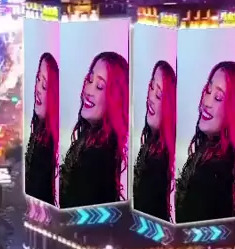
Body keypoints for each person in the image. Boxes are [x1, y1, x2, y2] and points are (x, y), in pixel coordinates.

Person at [175, 61, 235, 223]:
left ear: (234, 110)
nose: (207, 102)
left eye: (218, 98)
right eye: (208, 91)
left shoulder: (213, 171)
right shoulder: (209, 156)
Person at [60, 51, 129, 208]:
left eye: (99, 87)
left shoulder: (98, 155)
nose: (89, 91)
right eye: (90, 80)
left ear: (114, 99)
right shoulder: (91, 140)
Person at [133, 60, 176, 222]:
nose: (151, 97)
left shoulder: (158, 160)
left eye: (159, 95)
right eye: (151, 87)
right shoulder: (150, 146)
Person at [25, 52, 59, 205]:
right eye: (38, 79)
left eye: (44, 86)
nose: (37, 88)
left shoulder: (48, 144)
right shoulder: (39, 132)